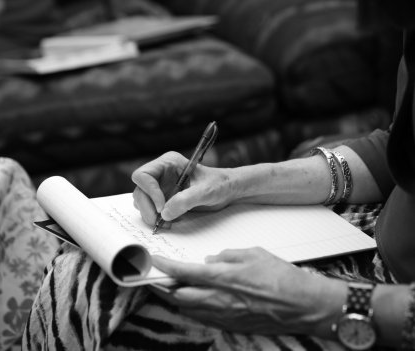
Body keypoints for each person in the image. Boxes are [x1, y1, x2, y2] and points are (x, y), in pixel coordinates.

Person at [22, 1, 415, 350]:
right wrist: (233, 182)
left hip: (385, 308)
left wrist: (322, 303)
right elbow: (398, 148)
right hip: (377, 244)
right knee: (78, 271)